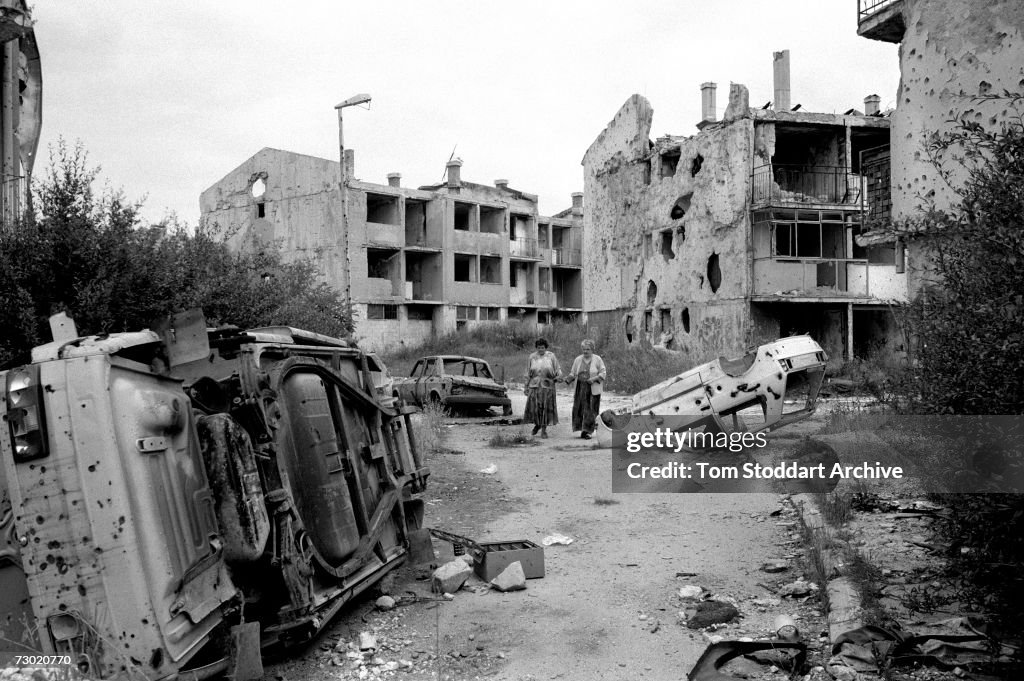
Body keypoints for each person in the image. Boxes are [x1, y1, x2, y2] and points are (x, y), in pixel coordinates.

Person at [566, 339, 607, 439]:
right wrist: (568, 378)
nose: (585, 351)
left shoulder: (597, 359)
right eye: (584, 349)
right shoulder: (578, 359)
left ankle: (588, 431)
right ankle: (581, 429)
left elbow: (603, 373)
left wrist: (594, 379)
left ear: (592, 349)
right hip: (580, 387)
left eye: (588, 349)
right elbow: (573, 372)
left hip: (593, 388)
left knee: (591, 409)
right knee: (579, 408)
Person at [523, 337, 561, 438]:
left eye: (543, 347)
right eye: (539, 348)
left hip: (548, 387)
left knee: (546, 408)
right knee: (535, 408)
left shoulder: (551, 356)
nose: (541, 350)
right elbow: (527, 372)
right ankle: (537, 425)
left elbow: (558, 369)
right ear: (536, 348)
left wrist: (558, 377)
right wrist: (526, 386)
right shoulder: (532, 357)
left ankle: (544, 430)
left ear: (546, 348)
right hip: (534, 386)